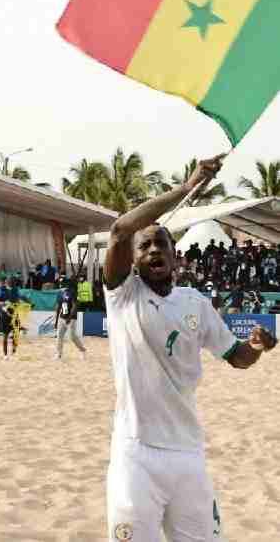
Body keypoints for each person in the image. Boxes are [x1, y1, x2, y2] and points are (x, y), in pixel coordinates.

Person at [100, 153, 276, 541]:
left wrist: (257, 346)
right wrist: (186, 188)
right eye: (143, 247)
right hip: (136, 456)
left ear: (175, 256)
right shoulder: (122, 296)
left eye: (160, 244)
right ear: (134, 262)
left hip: (188, 456)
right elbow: (117, 231)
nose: (152, 251)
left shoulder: (195, 302)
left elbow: (237, 358)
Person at [55, 279, 86, 362]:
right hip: (62, 318)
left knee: (72, 337)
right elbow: (58, 307)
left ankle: (82, 350)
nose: (60, 285)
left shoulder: (73, 292)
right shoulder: (60, 293)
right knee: (59, 336)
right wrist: (56, 320)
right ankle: (59, 354)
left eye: (62, 283)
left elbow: (75, 305)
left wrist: (69, 317)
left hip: (71, 319)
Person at [0, 276, 24, 360]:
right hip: (5, 315)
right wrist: (3, 303)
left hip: (14, 314)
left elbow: (19, 299)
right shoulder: (1, 290)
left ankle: (13, 350)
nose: (11, 284)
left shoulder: (16, 290)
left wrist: (23, 302)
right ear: (7, 283)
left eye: (13, 283)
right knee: (5, 335)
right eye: (10, 283)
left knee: (16, 333)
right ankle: (5, 354)